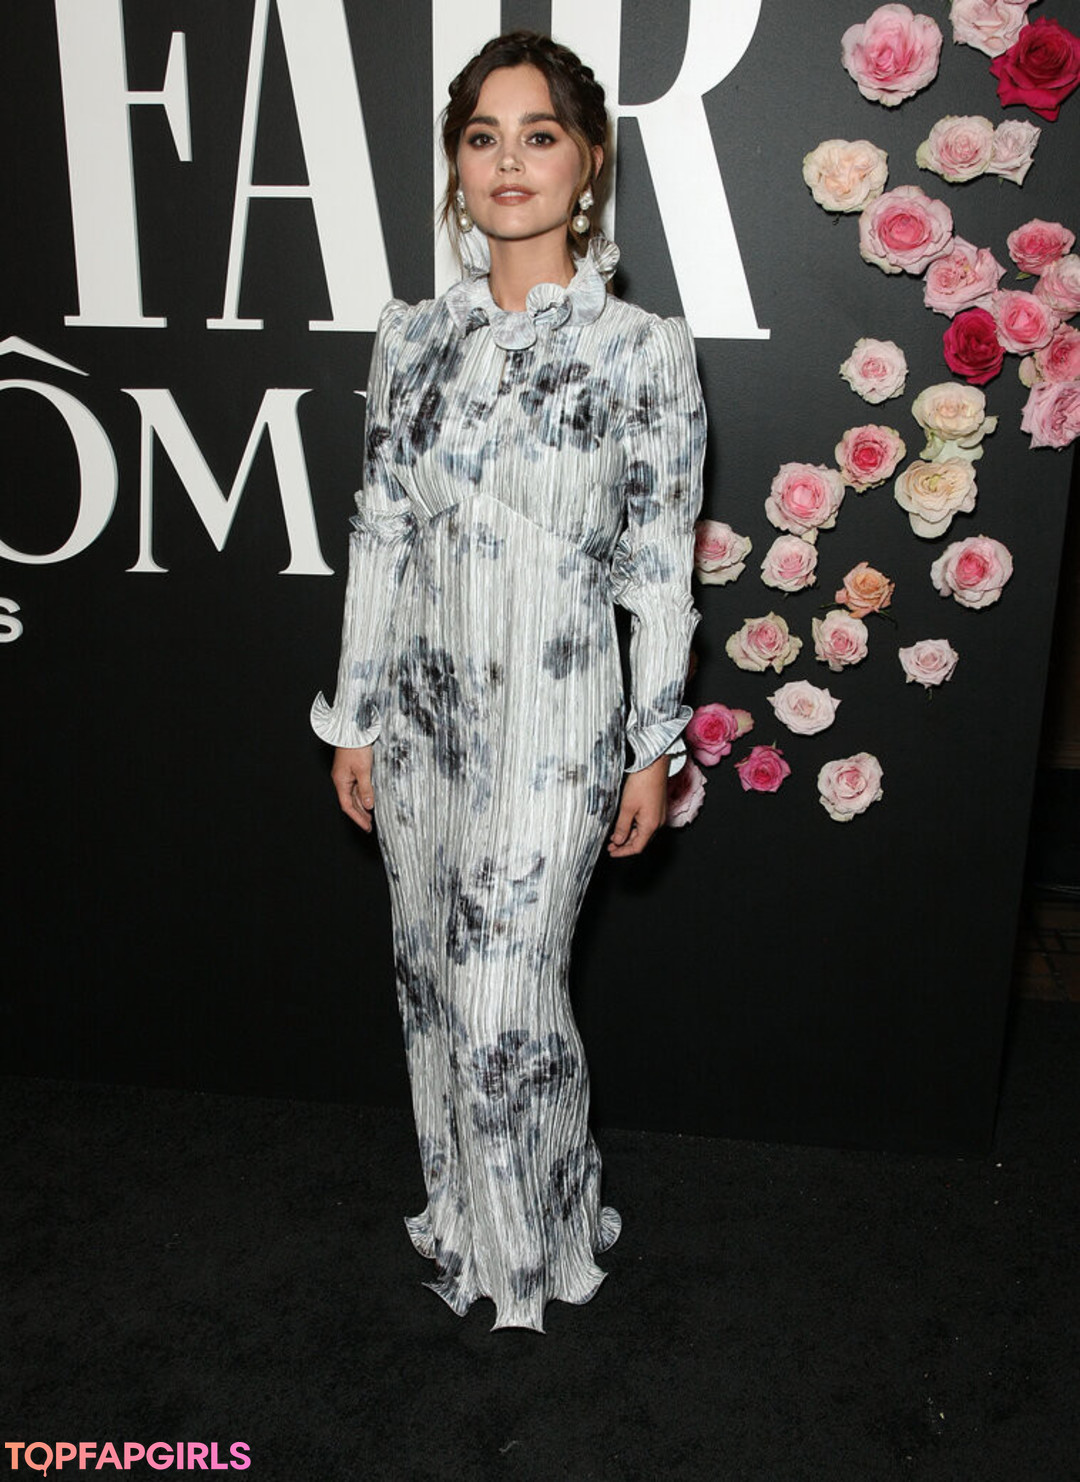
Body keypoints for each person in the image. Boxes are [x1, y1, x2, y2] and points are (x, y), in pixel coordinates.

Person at [312, 31, 705, 1332]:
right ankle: (471, 1221)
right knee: (432, 981)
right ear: (456, 167)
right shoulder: (412, 338)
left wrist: (652, 742)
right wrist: (356, 714)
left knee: (502, 999)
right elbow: (378, 530)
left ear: (587, 162)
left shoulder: (643, 350)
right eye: (482, 137)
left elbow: (659, 567)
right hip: (422, 721)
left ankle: (536, 1243)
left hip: (558, 723)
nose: (509, 162)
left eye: (539, 135)